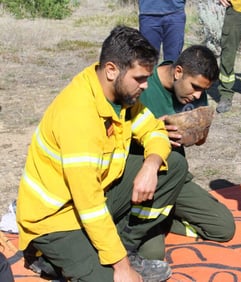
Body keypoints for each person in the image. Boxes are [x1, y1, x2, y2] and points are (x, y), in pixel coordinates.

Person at [16, 25, 190, 282]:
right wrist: (120, 267)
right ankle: (46, 256)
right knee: (108, 278)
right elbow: (89, 202)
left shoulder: (119, 96)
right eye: (140, 78)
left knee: (172, 165)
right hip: (56, 216)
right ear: (111, 70)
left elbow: (154, 130)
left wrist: (151, 165)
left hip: (98, 192)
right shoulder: (78, 115)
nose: (145, 86)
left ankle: (122, 246)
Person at [136, 45, 235, 260]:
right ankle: (142, 221)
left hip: (175, 177)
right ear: (178, 71)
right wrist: (152, 131)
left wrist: (194, 135)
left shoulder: (196, 94)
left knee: (223, 227)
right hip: (143, 180)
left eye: (203, 90)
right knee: (152, 254)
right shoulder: (142, 84)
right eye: (195, 87)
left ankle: (164, 218)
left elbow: (200, 139)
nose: (198, 95)